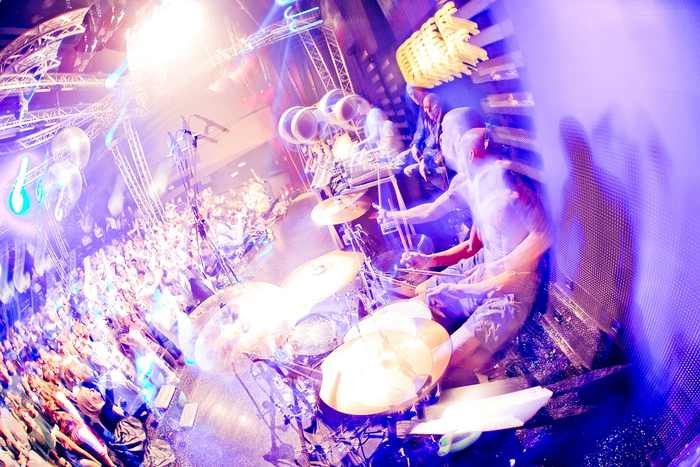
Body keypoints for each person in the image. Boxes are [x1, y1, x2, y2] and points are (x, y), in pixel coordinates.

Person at [379, 108, 551, 386]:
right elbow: (463, 238)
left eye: (446, 134)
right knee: (418, 307)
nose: (441, 141)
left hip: (512, 292)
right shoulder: (468, 184)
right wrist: (425, 254)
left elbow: (544, 235)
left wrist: (475, 285)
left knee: (443, 363)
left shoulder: (509, 185)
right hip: (483, 268)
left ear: (467, 147)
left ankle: (488, 375)